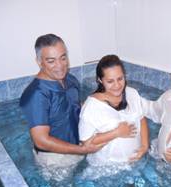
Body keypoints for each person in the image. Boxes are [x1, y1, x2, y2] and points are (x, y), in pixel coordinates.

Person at [19, 34, 105, 168]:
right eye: (51, 61)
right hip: (55, 158)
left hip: (79, 146)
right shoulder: (36, 94)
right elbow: (41, 141)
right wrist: (82, 150)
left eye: (63, 58)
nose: (59, 66)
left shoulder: (70, 80)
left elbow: (74, 106)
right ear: (39, 61)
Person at [78, 55, 149, 166]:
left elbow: (141, 119)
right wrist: (116, 133)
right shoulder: (91, 107)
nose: (117, 85)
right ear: (100, 80)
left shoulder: (132, 93)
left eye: (120, 79)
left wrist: (144, 147)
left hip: (136, 163)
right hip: (107, 167)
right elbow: (86, 143)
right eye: (110, 81)